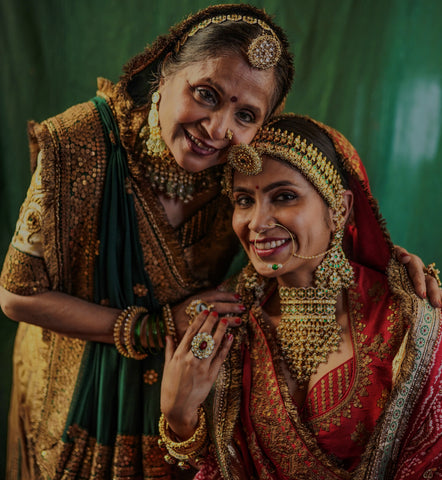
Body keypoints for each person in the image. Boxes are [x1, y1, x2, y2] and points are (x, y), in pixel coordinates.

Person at [0, 4, 437, 479]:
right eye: (205, 94)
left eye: (245, 114)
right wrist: (154, 329)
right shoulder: (80, 144)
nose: (217, 128)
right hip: (83, 383)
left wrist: (388, 261)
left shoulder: (237, 166)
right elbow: (16, 295)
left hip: (193, 371)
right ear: (165, 72)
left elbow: (316, 201)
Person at [159, 114, 442, 479]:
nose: (257, 222)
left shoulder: (407, 317)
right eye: (244, 200)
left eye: (284, 197)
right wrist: (180, 418)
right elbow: (224, 467)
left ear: (339, 209)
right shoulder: (227, 322)